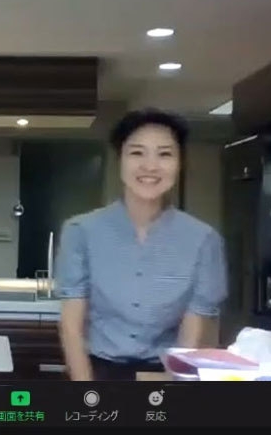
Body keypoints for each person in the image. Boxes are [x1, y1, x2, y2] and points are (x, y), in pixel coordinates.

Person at [56, 109, 228, 381]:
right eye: (137, 152)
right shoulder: (80, 231)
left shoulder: (204, 240)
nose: (150, 166)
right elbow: (71, 328)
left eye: (165, 154)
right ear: (120, 159)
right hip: (96, 370)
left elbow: (191, 335)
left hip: (166, 372)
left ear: (180, 163)